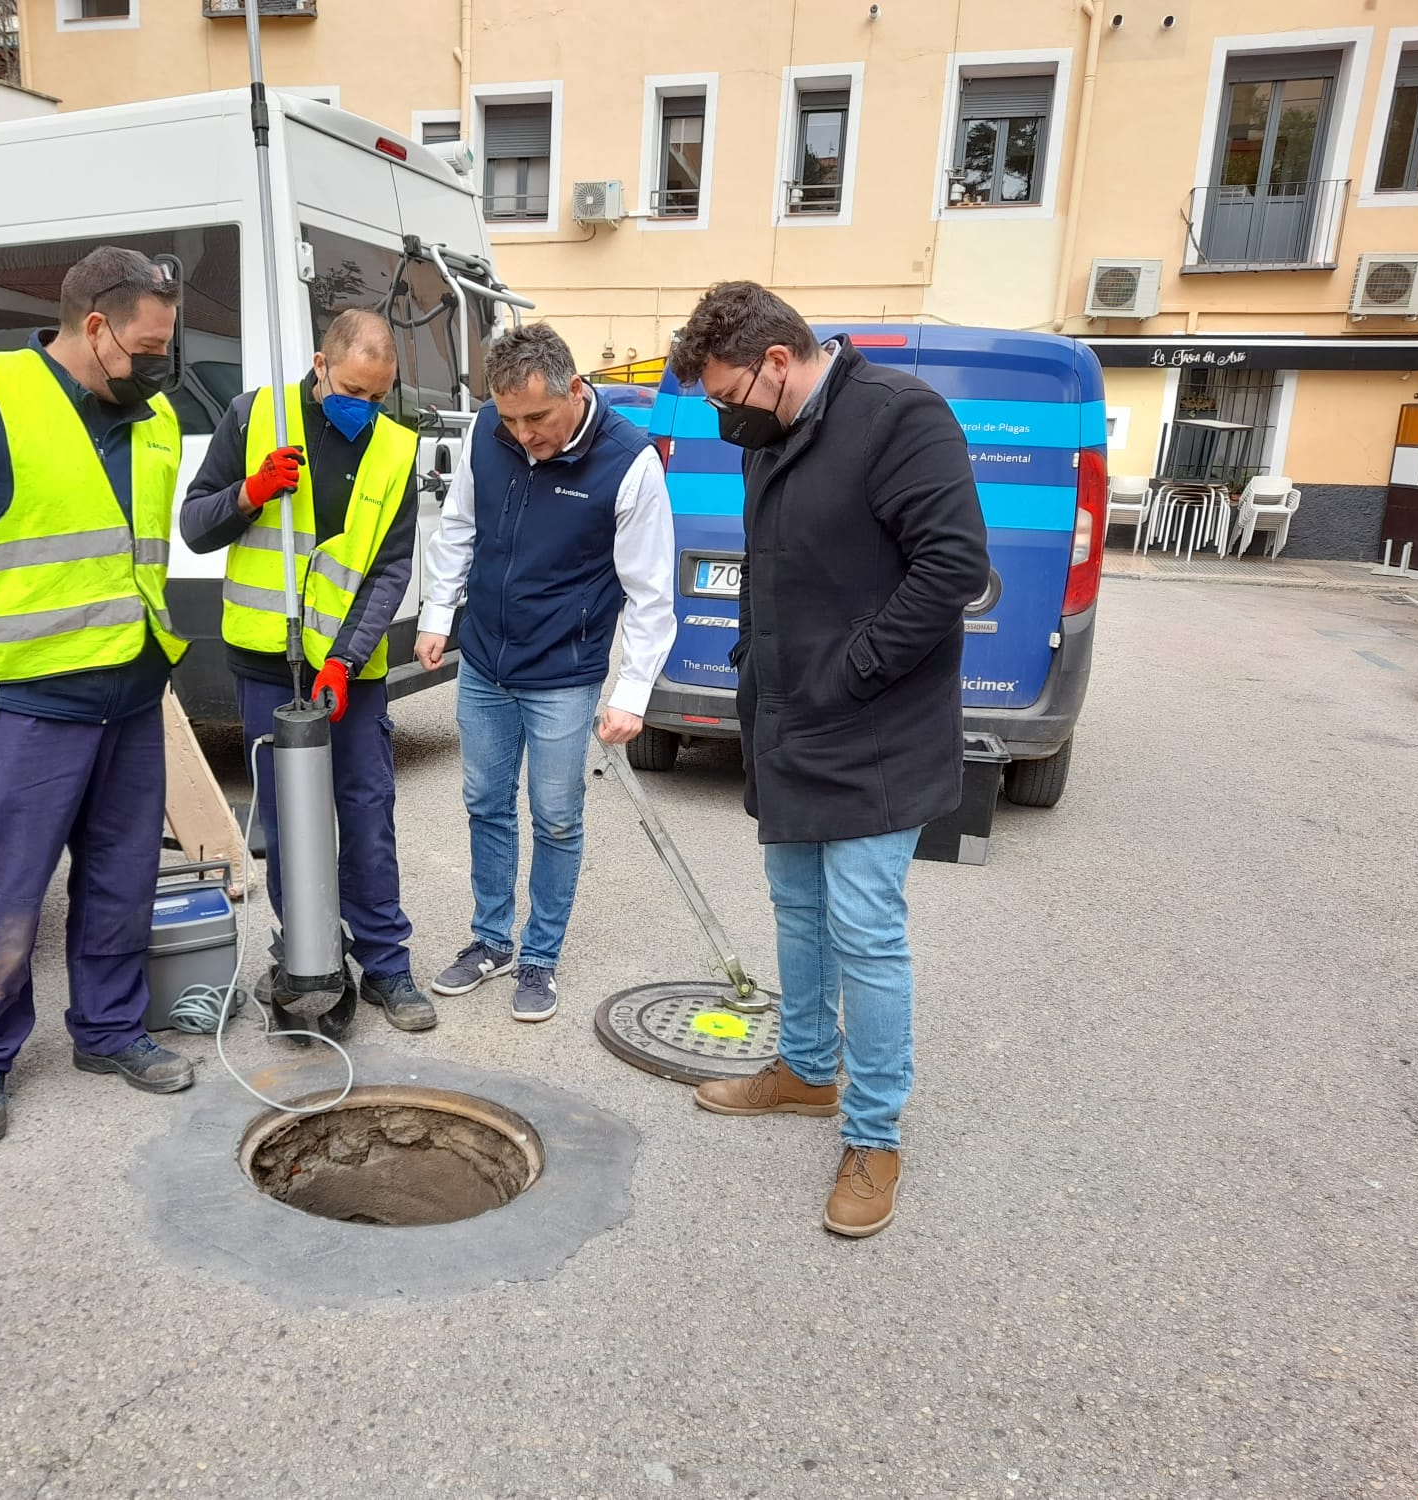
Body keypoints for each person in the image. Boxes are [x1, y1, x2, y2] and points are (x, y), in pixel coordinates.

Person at [671, 282, 988, 1238]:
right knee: (798, 908)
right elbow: (773, 565)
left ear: (777, 361)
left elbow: (953, 567)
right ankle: (807, 1072)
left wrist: (852, 669)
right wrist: (754, 663)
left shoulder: (899, 419)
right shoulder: (772, 438)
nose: (726, 418)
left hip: (874, 728)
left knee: (864, 929)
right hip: (790, 720)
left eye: (730, 396)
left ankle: (875, 1134)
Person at [0, 246, 198, 1146]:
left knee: (121, 875)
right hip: (17, 699)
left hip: (129, 690)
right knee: (7, 887)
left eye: (165, 347)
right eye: (145, 346)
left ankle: (108, 1030)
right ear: (94, 328)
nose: (157, 365)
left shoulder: (156, 418)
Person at [180, 308, 434, 1034]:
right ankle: (307, 956)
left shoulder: (394, 447)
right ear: (322, 366)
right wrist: (249, 494)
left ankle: (386, 965)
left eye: (379, 395)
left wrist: (345, 662)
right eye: (353, 389)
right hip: (266, 664)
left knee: (365, 813)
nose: (365, 407)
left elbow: (388, 571)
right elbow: (196, 527)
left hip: (348, 673)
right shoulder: (254, 416)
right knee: (291, 822)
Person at [416, 324, 676, 1023]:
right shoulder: (487, 435)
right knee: (484, 804)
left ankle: (539, 957)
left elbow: (651, 593)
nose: (525, 434)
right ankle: (491, 940)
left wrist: (631, 692)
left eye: (538, 417)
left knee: (556, 818)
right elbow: (459, 526)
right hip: (486, 664)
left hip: (564, 673)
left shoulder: (631, 464)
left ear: (576, 391)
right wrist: (437, 614)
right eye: (511, 418)